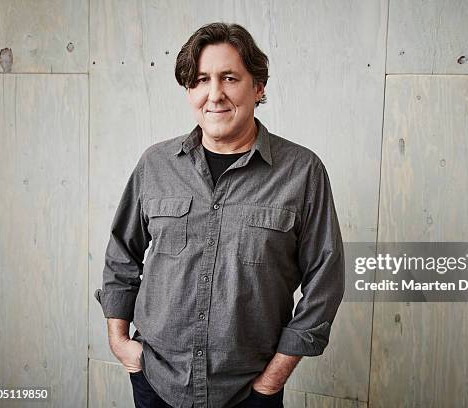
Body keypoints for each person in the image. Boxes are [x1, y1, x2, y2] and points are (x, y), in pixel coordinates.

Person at [94, 22, 345, 408]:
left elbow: (325, 282)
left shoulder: (302, 171)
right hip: (156, 383)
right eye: (200, 80)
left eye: (229, 78)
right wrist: (121, 343)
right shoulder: (155, 165)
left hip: (250, 392)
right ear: (189, 90)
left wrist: (274, 376)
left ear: (258, 87)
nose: (214, 95)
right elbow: (121, 254)